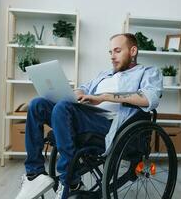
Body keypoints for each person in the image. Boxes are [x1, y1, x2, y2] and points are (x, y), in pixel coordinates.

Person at [15, 33, 163, 199]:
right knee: (38, 104)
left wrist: (102, 97)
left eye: (117, 51)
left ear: (133, 50)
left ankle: (70, 179)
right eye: (110, 52)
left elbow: (149, 99)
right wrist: (72, 94)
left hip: (112, 126)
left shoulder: (148, 72)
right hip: (84, 117)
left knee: (63, 108)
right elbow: (83, 89)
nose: (112, 56)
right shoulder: (105, 74)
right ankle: (34, 174)